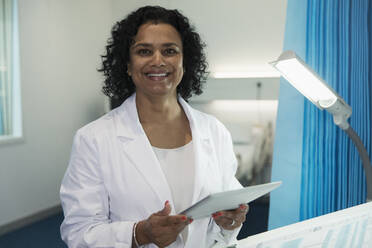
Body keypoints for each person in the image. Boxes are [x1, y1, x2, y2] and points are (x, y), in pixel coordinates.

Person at [60, 5, 248, 248]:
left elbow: (223, 219)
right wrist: (140, 233)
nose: (158, 61)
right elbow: (79, 232)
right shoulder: (93, 139)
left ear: (184, 61)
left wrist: (230, 223)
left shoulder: (215, 131)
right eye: (144, 51)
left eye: (169, 51)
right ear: (127, 64)